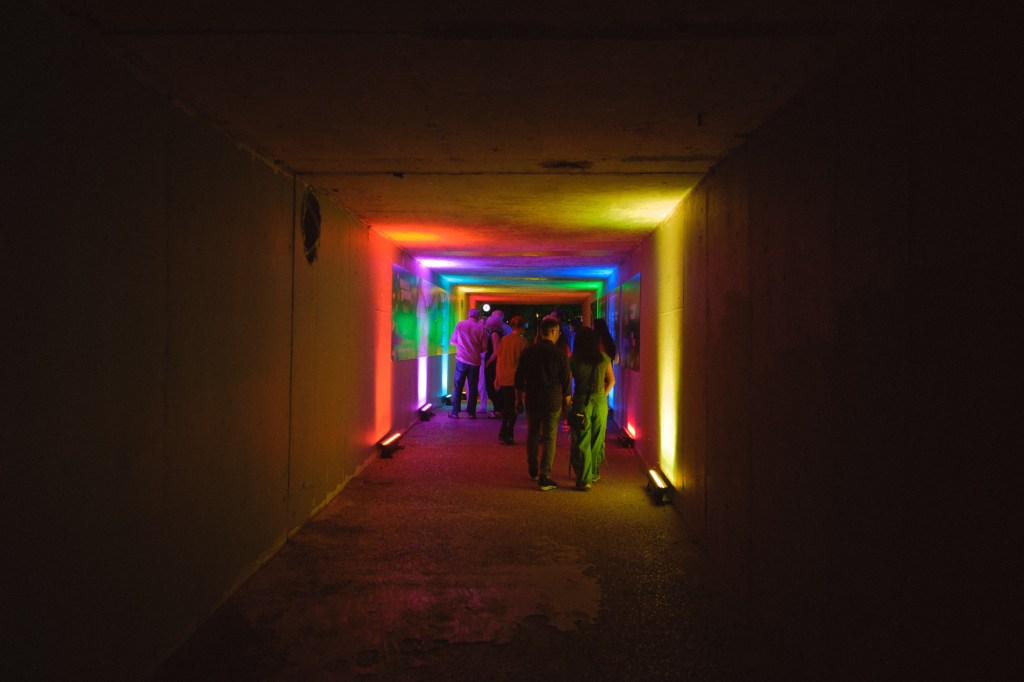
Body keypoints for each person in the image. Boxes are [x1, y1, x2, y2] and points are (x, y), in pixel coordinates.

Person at [514, 317, 572, 490]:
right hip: (552, 401)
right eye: (558, 332)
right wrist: (566, 407)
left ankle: (532, 469)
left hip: (532, 399)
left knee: (532, 434)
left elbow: (519, 379)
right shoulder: (560, 354)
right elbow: (566, 383)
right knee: (549, 437)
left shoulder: (529, 352)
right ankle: (544, 476)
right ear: (553, 332)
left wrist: (518, 399)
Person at [568, 327, 615, 491]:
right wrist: (603, 395)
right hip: (600, 402)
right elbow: (612, 381)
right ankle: (594, 472)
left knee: (582, 440)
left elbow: (567, 385)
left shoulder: (573, 360)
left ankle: (584, 479)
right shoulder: (604, 357)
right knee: (597, 439)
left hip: (581, 402)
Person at [494, 316, 530, 445]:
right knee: (515, 406)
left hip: (503, 376)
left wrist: (497, 378)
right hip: (516, 379)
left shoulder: (504, 340)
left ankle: (503, 431)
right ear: (522, 327)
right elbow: (525, 364)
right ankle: (508, 433)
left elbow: (499, 359)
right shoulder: (523, 342)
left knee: (506, 406)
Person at [449, 308, 489, 418]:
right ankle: (472, 413)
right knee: (473, 387)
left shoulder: (460, 325)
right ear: (478, 317)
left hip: (461, 360)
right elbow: (484, 347)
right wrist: (475, 350)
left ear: (468, 315)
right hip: (475, 362)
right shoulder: (482, 328)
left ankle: (455, 412)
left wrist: (463, 346)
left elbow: (452, 341)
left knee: (458, 386)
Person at [483, 313, 505, 418]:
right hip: (497, 363)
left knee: (492, 386)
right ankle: (499, 409)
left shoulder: (494, 334)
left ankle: (497, 410)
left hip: (493, 364)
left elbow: (496, 351)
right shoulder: (501, 333)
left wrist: (488, 361)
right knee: (495, 387)